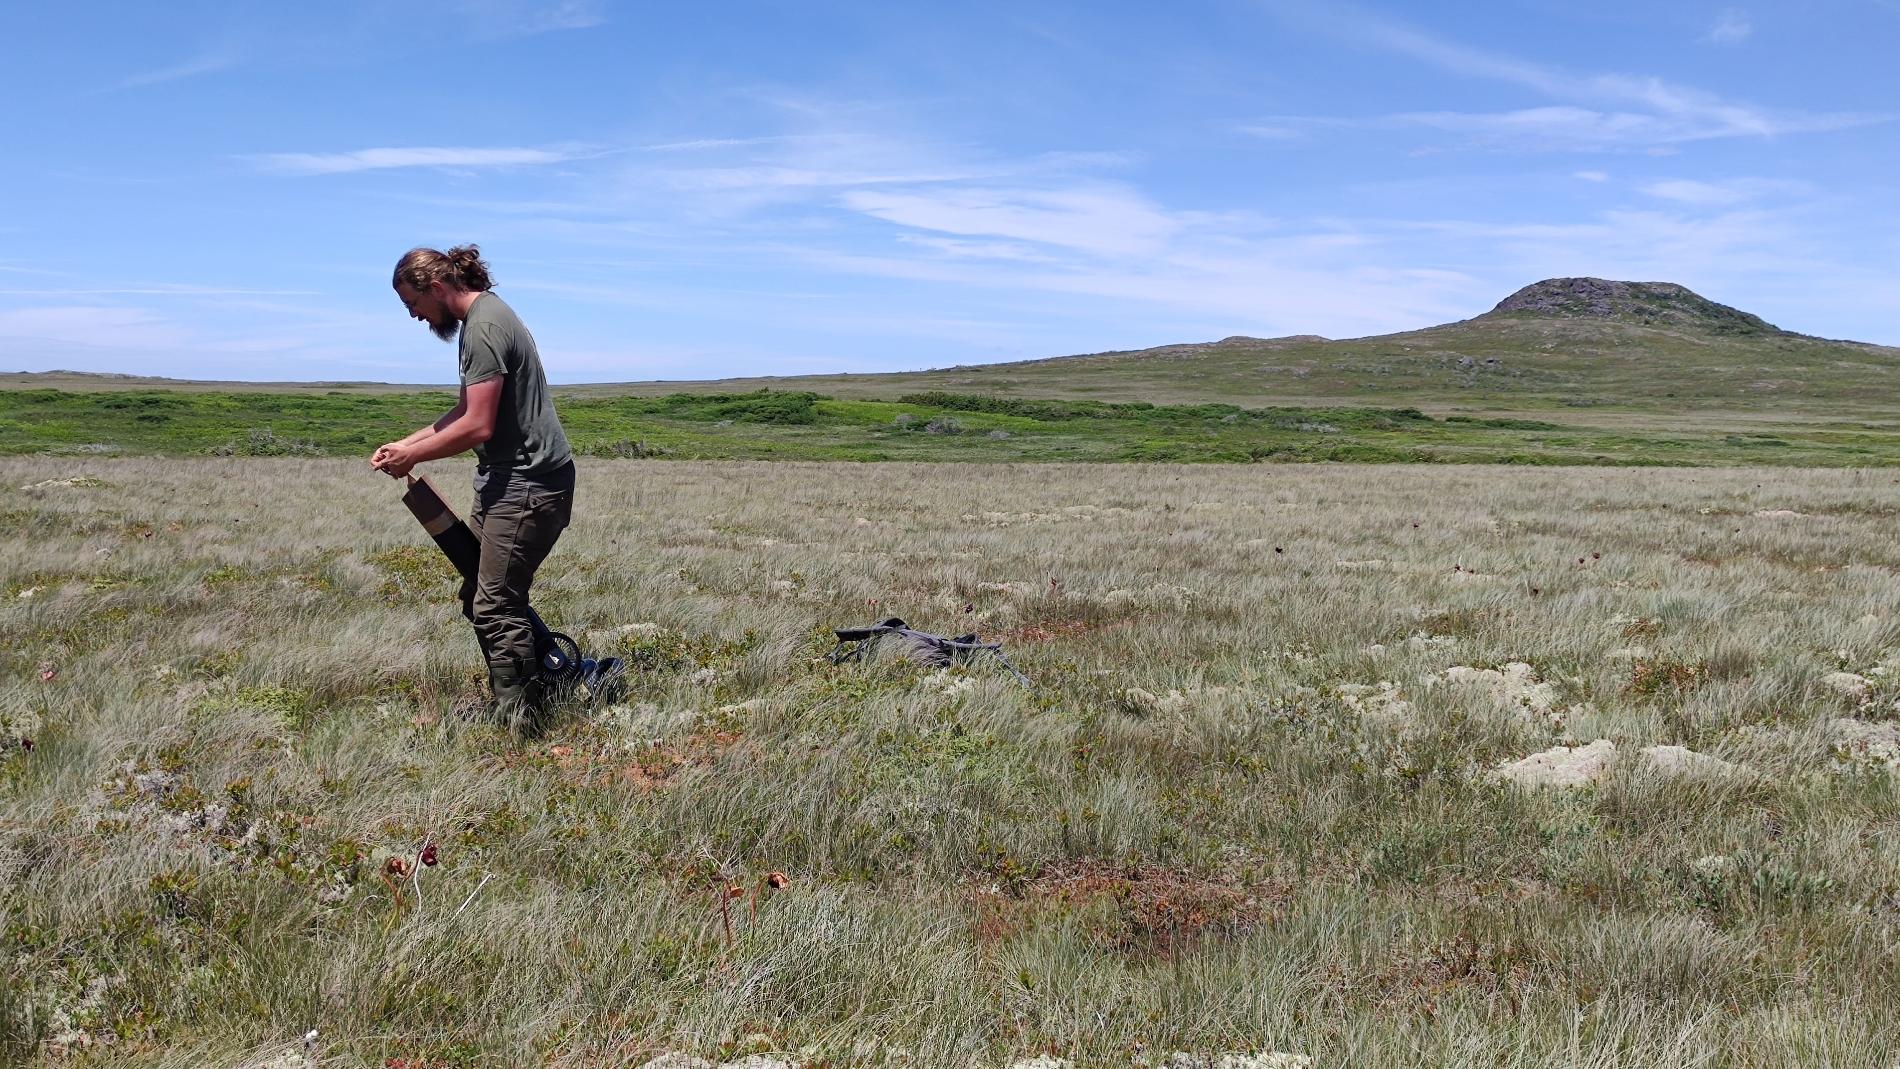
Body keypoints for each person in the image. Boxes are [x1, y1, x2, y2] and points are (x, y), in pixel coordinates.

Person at [372, 244, 575, 734]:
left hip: (527, 485)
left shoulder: (483, 328)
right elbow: (465, 411)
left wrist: (414, 457)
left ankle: (520, 726)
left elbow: (478, 426)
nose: (416, 317)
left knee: (495, 604)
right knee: (481, 593)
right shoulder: (485, 319)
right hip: (510, 481)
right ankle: (547, 683)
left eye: (413, 305)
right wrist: (409, 442)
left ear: (436, 288)